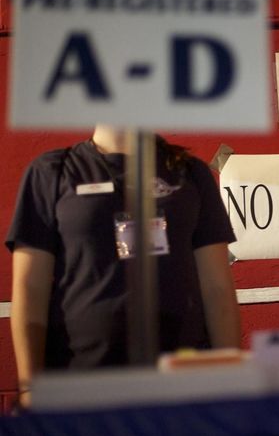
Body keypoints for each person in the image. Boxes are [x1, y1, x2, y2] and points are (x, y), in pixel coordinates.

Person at [6, 125, 241, 408]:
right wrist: (30, 387)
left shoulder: (190, 173)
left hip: (181, 387)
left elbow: (217, 289)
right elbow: (30, 289)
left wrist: (231, 381)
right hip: (79, 388)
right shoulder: (50, 172)